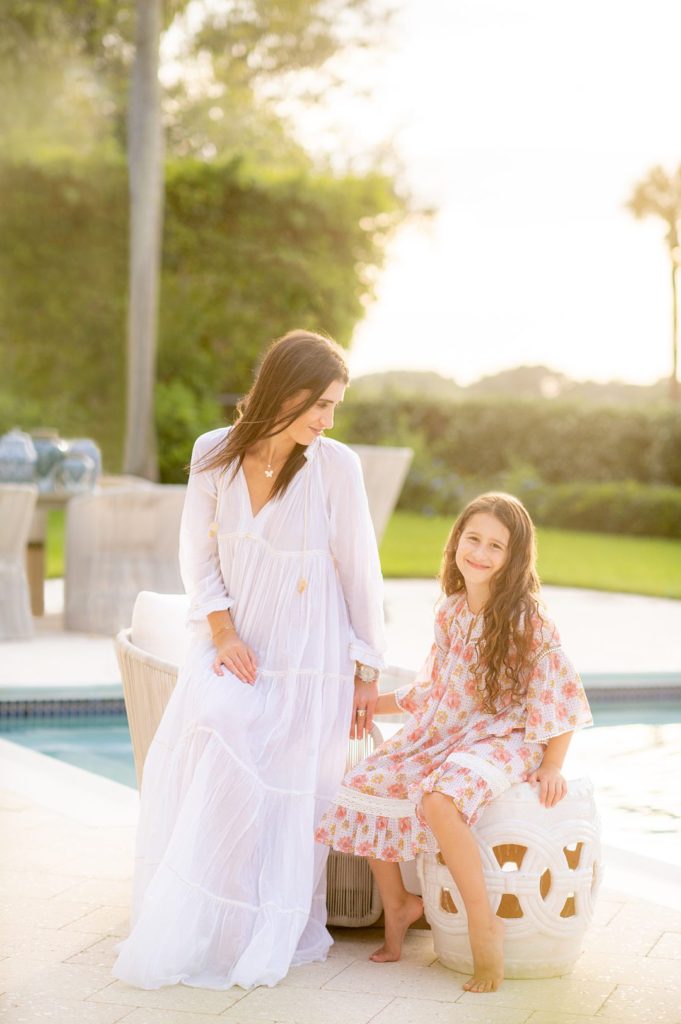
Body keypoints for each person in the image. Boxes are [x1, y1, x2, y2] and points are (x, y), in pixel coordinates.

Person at [112, 330, 386, 990]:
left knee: (287, 783)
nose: (325, 420)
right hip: (232, 639)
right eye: (319, 403)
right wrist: (224, 633)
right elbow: (196, 557)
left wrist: (366, 672)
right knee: (215, 728)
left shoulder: (334, 465)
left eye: (333, 407)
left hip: (310, 652)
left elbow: (360, 569)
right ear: (284, 391)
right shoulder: (214, 454)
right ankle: (209, 917)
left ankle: (260, 925)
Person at [315, 492, 592, 993]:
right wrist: (363, 706)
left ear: (514, 558)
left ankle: (482, 923)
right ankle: (398, 904)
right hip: (448, 732)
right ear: (457, 542)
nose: (481, 554)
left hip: (506, 735)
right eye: (473, 539)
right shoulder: (449, 611)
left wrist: (553, 763)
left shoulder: (528, 619)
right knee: (365, 781)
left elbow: (561, 693)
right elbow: (433, 689)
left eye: (496, 546)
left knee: (440, 800)